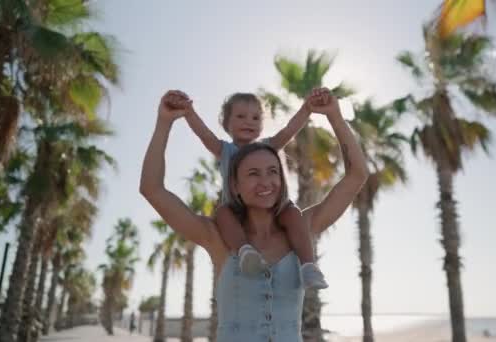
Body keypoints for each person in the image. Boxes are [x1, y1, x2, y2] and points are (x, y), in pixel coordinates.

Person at [140, 88, 367, 341]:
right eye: (252, 174)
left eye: (273, 171)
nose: (265, 181)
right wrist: (164, 122)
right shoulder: (217, 238)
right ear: (234, 185)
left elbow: (357, 175)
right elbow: (152, 189)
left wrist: (334, 115)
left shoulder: (301, 227)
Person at [163, 88, 328, 289]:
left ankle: (308, 265)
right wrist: (189, 112)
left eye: (255, 117)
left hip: (272, 207)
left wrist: (307, 108)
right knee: (222, 213)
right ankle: (245, 251)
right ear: (226, 123)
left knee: (293, 213)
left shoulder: (268, 146)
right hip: (235, 209)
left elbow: (288, 131)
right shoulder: (225, 150)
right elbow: (204, 134)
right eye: (241, 116)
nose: (249, 121)